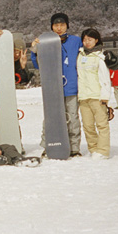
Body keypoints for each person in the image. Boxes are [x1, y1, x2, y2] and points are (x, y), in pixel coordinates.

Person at [30, 12, 82, 156]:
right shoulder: (45, 42)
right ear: (52, 27)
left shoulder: (76, 41)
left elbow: (88, 53)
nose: (59, 28)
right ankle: (48, 146)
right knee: (51, 118)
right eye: (56, 25)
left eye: (62, 25)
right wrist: (35, 50)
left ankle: (74, 148)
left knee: (72, 118)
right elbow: (38, 65)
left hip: (71, 87)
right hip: (52, 88)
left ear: (67, 26)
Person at [77, 28, 113, 159]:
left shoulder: (100, 57)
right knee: (87, 125)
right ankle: (93, 149)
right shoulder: (80, 55)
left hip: (97, 96)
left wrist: (105, 97)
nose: (87, 42)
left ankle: (103, 151)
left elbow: (105, 78)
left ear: (96, 40)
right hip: (83, 96)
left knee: (102, 125)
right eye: (84, 39)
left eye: (90, 39)